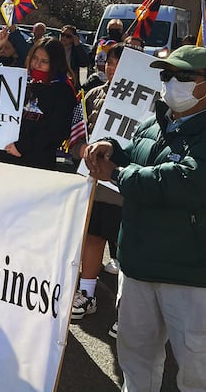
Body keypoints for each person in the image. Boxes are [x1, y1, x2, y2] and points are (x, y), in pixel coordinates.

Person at [84, 45, 206, 392]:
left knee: (199, 374)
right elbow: (136, 156)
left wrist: (117, 173)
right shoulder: (154, 121)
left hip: (196, 274)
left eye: (184, 76)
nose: (172, 83)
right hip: (141, 265)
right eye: (166, 74)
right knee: (136, 362)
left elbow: (188, 182)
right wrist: (109, 147)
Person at [69, 45, 125, 322]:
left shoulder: (152, 102)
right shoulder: (92, 95)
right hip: (91, 184)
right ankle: (87, 293)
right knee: (91, 237)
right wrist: (81, 151)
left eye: (118, 63)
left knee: (127, 246)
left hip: (124, 187)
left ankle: (129, 310)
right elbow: (75, 137)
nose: (111, 68)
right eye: (109, 63)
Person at [3, 37, 77, 170]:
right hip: (9, 154)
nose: (37, 64)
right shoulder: (25, 81)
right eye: (35, 58)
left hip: (38, 162)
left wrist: (22, 147)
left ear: (55, 63)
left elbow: (58, 131)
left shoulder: (63, 90)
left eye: (44, 61)